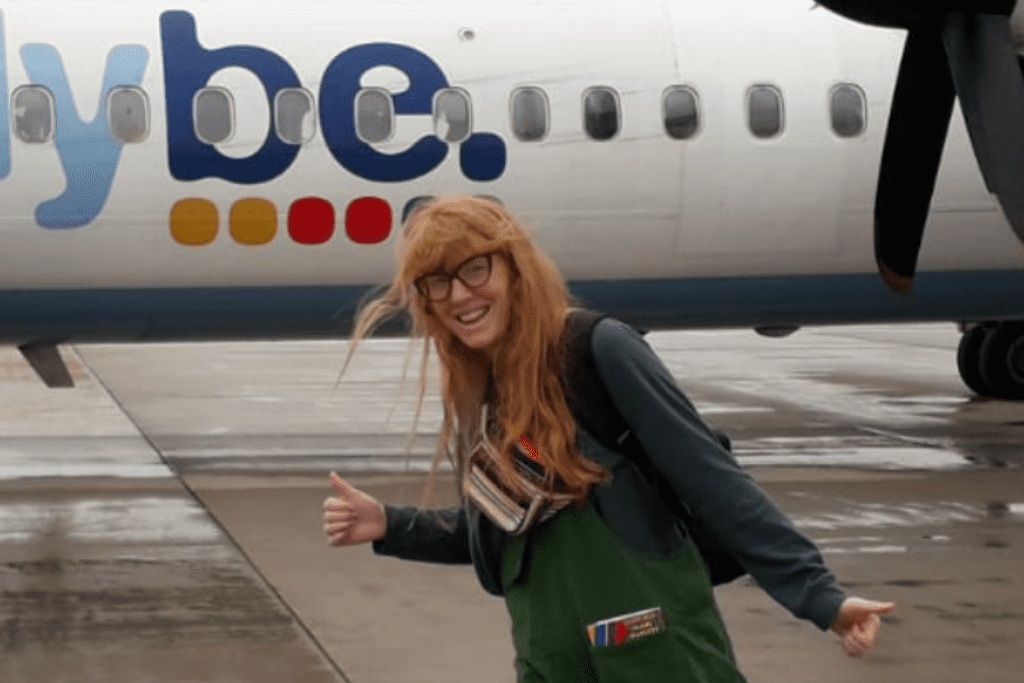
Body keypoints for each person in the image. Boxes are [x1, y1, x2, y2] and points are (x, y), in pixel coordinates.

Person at [323, 195, 895, 681]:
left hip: (653, 649)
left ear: (514, 266)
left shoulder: (595, 349)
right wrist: (391, 525)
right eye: (437, 282)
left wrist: (820, 596)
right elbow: (498, 532)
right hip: (551, 658)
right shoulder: (477, 396)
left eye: (475, 269)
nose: (460, 296)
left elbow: (714, 482)